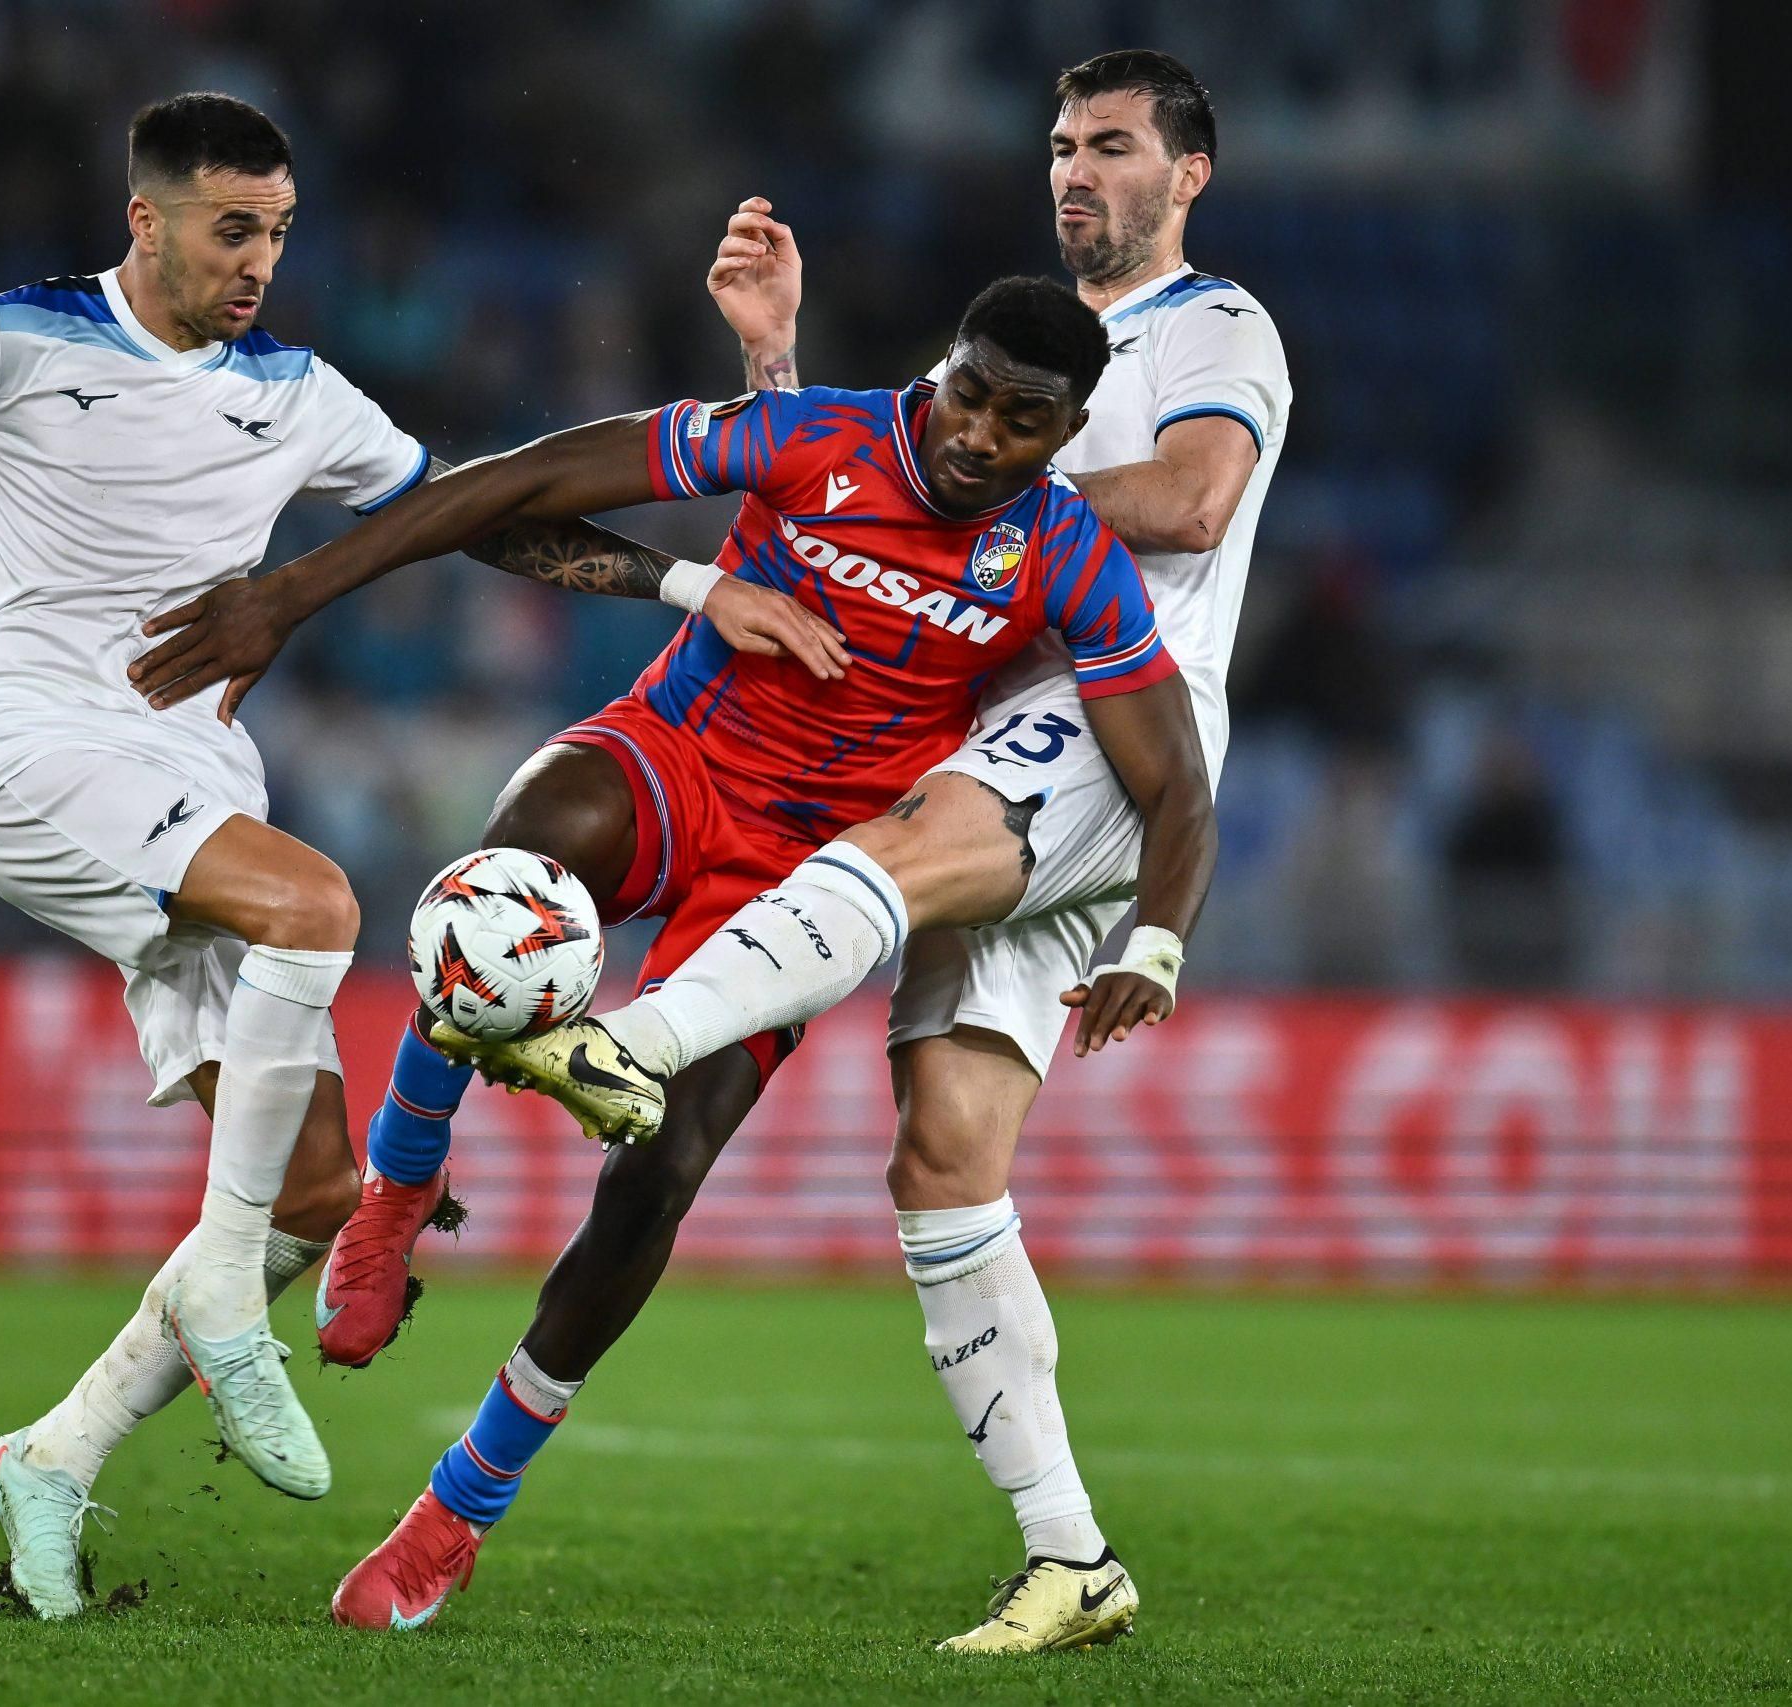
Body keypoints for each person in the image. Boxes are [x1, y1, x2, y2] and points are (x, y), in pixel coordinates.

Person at [0, 91, 831, 1620]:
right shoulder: (17, 338)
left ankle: (51, 1458)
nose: (261, 260)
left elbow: (471, 519)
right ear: (150, 219)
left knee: (316, 1192)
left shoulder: (298, 391)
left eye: (280, 232)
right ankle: (214, 1279)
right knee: (320, 902)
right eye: (232, 228)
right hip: (36, 755)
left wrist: (686, 585)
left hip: (189, 783)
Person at [128, 274, 1217, 1634]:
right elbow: (521, 481)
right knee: (510, 870)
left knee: (661, 1178)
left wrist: (1157, 940)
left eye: (1021, 420)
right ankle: (396, 1196)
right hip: (676, 757)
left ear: (1064, 438)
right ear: (941, 367)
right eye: (969, 392)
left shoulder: (1064, 558)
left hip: (794, 884)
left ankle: (455, 1514)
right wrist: (290, 597)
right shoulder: (813, 438)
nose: (978, 432)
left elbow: (1175, 784)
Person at [432, 49, 1292, 1652]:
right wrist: (865, 430)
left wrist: (966, 482)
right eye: (1059, 143)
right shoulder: (1006, 374)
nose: (1075, 169)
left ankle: (629, 1040)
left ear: (1190, 175)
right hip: (1002, 739)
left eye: (1113, 145)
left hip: (1115, 728)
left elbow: (1185, 498)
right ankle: (1072, 1557)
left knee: (883, 859)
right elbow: (856, 499)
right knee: (943, 1161)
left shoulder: (1210, 327)